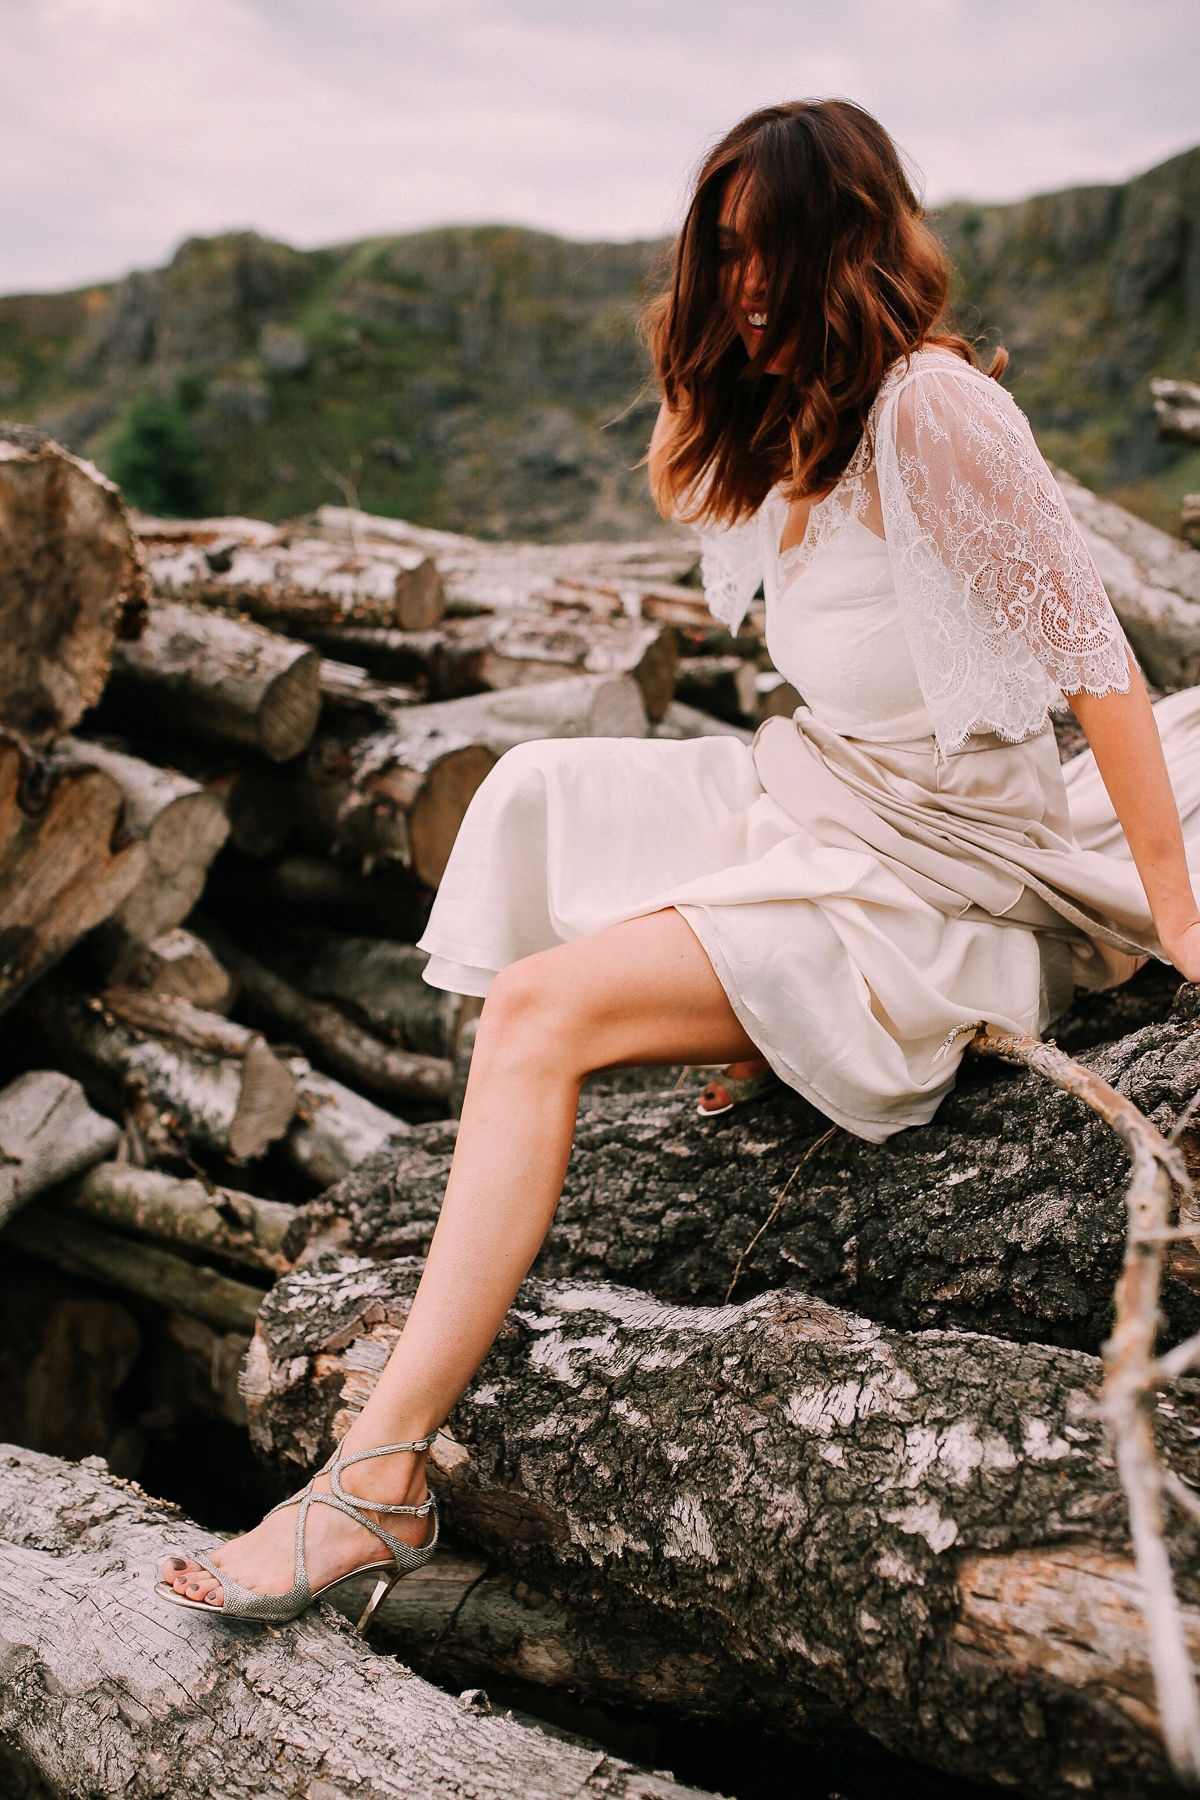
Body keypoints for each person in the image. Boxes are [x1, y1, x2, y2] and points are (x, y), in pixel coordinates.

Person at [158, 99, 1200, 1625]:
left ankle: (374, 1485)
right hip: (823, 792)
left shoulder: (933, 409)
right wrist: (715, 361)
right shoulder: (794, 417)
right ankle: (579, 1131)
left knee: (538, 1014)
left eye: (775, 249)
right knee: (534, 792)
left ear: (855, 243)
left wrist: (1173, 914)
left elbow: (1097, 664)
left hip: (933, 880)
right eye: (723, 251)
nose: (749, 284)